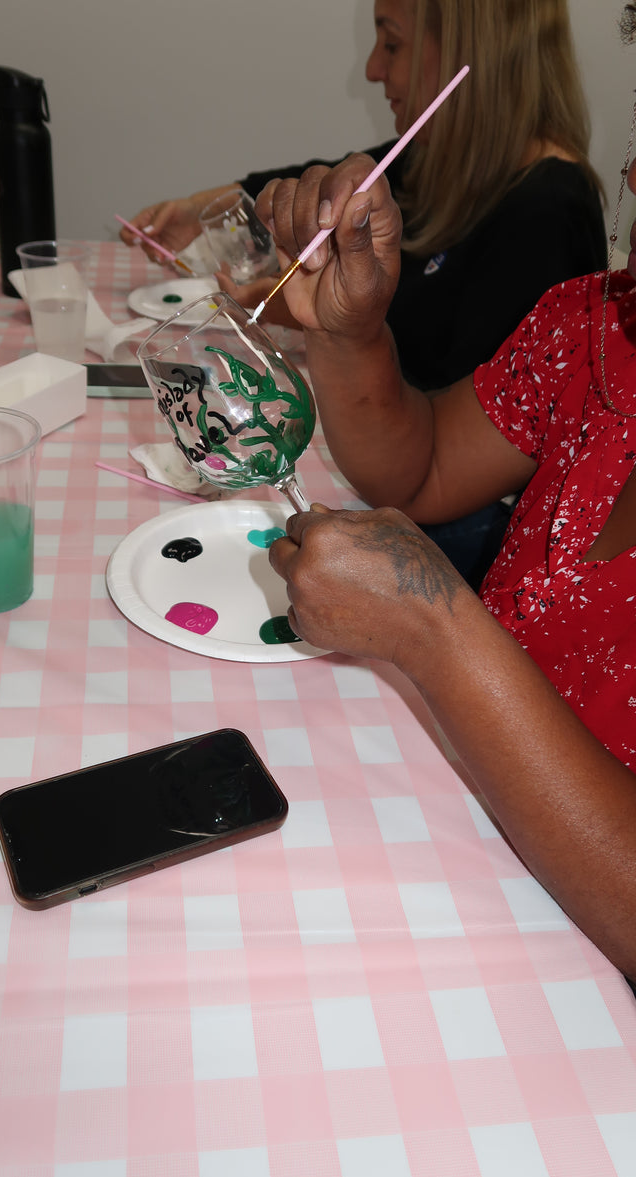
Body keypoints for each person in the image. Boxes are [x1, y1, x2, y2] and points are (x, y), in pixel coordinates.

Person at [256, 5, 636, 985]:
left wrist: (435, 630)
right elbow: (419, 471)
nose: (632, 178)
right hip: (450, 851)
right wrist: (348, 333)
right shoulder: (591, 326)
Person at [121, 0, 607, 586]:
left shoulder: (548, 212)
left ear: (472, 52)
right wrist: (205, 208)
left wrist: (328, 322)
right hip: (394, 476)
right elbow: (334, 178)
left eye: (392, 43)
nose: (373, 69)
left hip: (473, 548)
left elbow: (447, 396)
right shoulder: (439, 162)